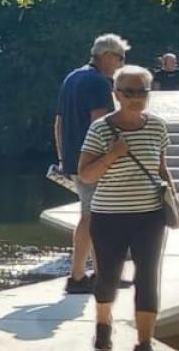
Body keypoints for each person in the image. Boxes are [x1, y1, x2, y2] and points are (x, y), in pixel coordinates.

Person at [77, 64, 174, 351]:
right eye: (128, 92)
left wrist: (174, 197)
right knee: (108, 277)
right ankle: (103, 325)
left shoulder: (157, 126)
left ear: (149, 93)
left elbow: (161, 167)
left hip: (149, 215)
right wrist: (112, 155)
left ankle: (144, 346)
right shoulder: (101, 129)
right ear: (116, 94)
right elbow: (85, 175)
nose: (135, 98)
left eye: (141, 91)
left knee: (148, 277)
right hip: (109, 215)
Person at [55, 34, 128, 294]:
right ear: (106, 55)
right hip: (94, 162)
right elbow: (101, 125)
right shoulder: (98, 83)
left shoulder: (72, 78)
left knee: (96, 216)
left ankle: (102, 274)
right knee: (91, 217)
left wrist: (64, 158)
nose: (120, 64)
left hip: (76, 160)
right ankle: (77, 278)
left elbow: (60, 123)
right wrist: (113, 158)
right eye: (120, 58)